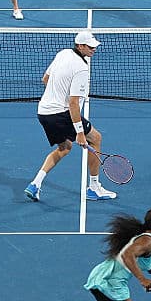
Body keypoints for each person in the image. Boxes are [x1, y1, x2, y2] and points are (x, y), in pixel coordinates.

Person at [24, 31, 118, 203]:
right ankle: (94, 188)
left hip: (44, 112)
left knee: (65, 147)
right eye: (90, 46)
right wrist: (80, 133)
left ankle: (35, 184)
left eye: (94, 46)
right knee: (95, 138)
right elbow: (73, 103)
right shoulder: (82, 68)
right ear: (80, 46)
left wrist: (57, 95)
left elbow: (46, 79)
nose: (93, 49)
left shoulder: (63, 53)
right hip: (61, 114)